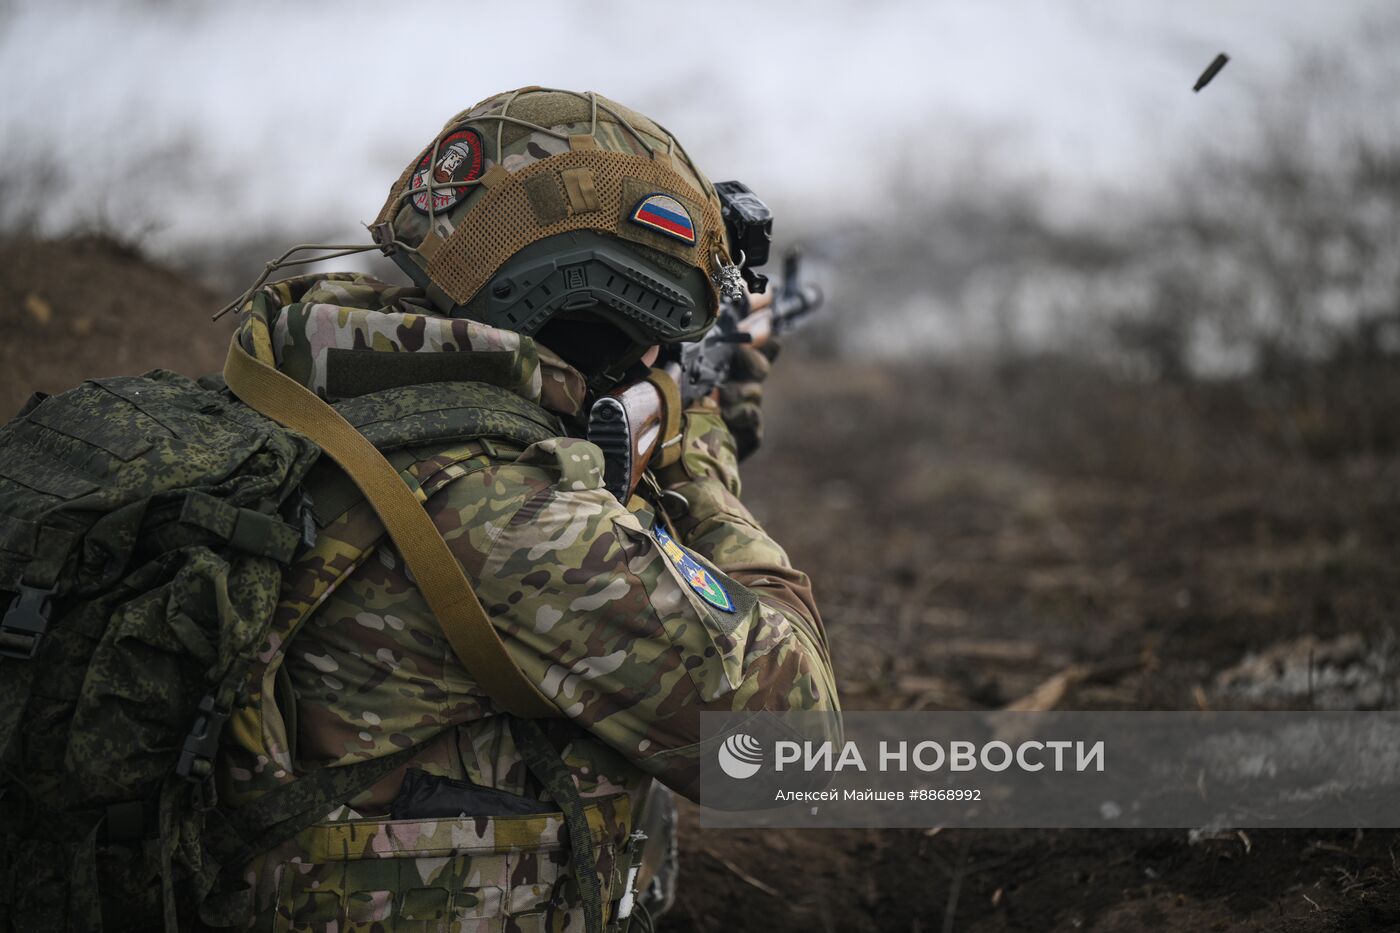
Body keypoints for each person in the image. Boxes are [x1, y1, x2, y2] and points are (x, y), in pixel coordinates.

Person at [216, 86, 839, 931]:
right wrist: (696, 457)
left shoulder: (327, 384)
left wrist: (692, 418)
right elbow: (793, 755)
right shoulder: (512, 509)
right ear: (615, 299)